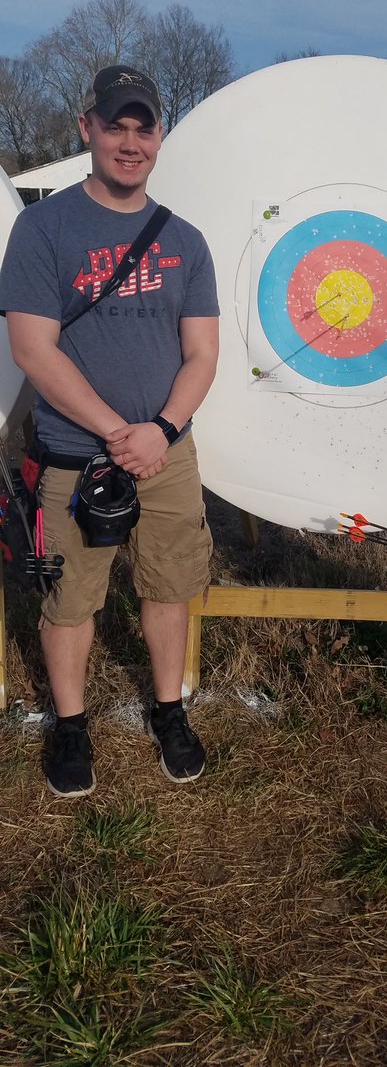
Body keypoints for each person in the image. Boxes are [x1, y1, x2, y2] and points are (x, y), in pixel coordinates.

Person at [0, 65, 220, 798]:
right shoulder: (43, 228)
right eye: (116, 125)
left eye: (144, 126)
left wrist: (160, 428)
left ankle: (169, 711)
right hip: (72, 454)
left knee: (168, 587)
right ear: (87, 127)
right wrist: (116, 431)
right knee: (70, 599)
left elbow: (202, 353)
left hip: (167, 454)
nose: (131, 141)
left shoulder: (184, 241)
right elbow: (33, 348)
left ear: (160, 135)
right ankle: (70, 726)